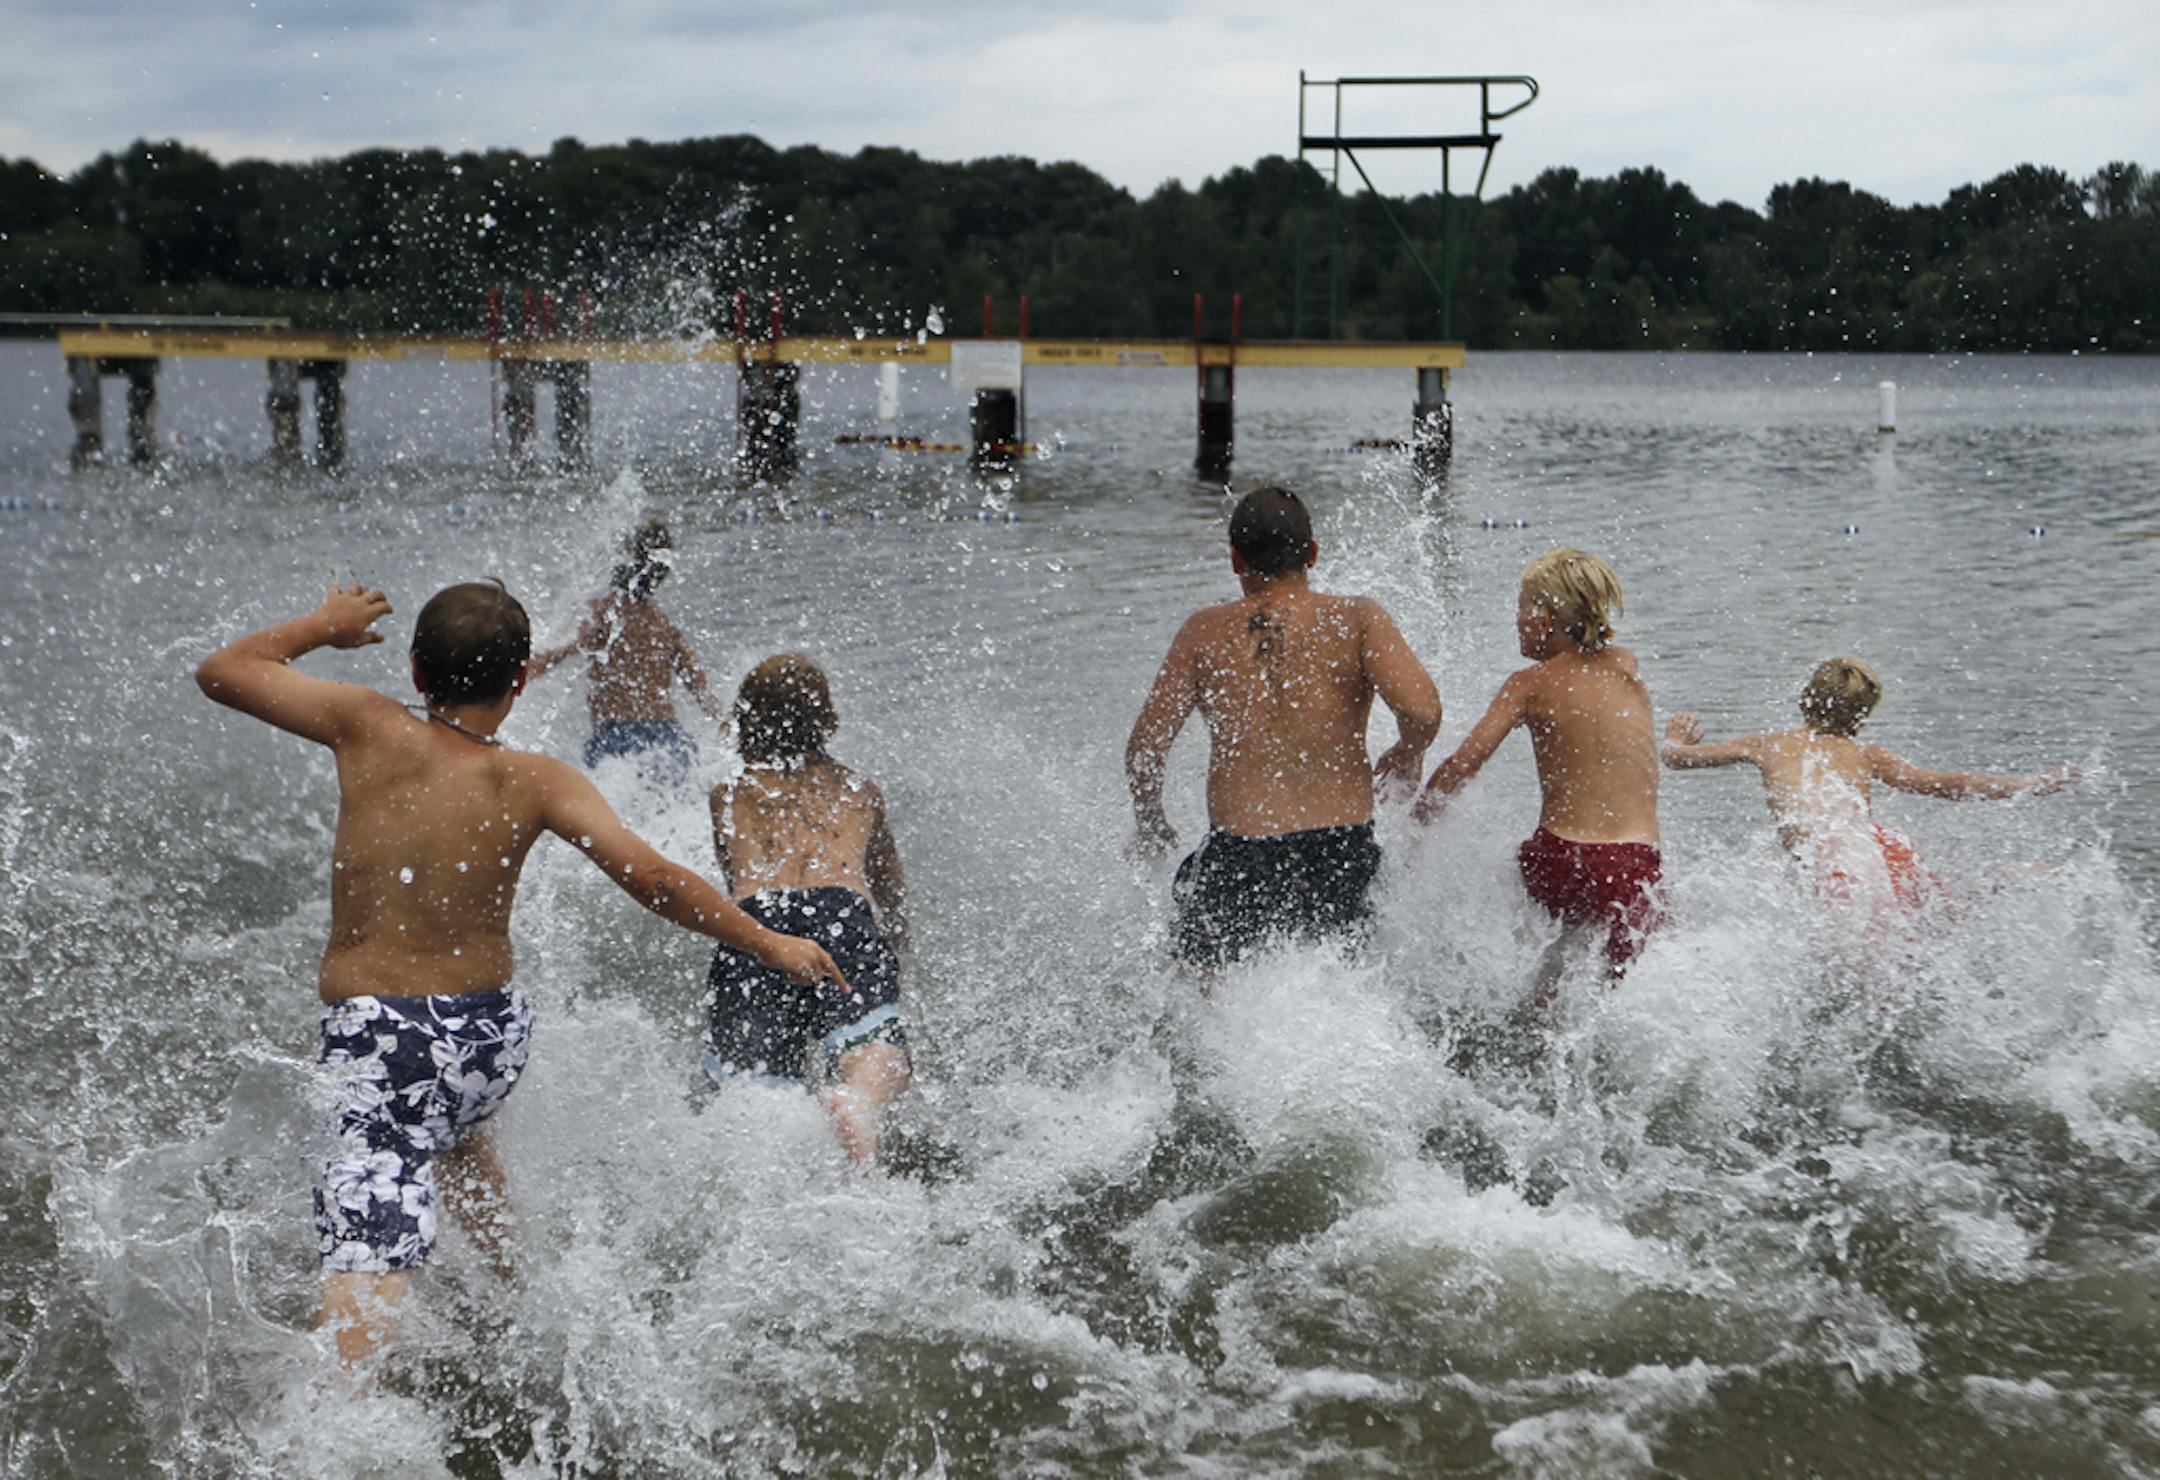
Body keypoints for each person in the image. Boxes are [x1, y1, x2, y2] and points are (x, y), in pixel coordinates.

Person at [195, 581, 845, 1369]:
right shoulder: (538, 780)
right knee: (459, 1142)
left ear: (415, 671)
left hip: (383, 1039)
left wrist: (325, 625)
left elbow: (225, 671)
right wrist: (766, 941)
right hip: (485, 1039)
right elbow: (651, 876)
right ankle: (527, 1321)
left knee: (368, 1251)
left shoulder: (366, 723)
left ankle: (345, 1406)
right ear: (519, 682)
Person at [1125, 486, 1442, 967]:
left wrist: (1150, 821)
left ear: (1236, 559)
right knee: (1346, 984)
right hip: (1341, 850)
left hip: (1240, 857)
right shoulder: (1357, 619)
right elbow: (1423, 712)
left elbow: (1145, 749)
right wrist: (1406, 752)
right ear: (1312, 553)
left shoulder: (1202, 631)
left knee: (1205, 988)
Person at [1413, 548, 1662, 985]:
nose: (1516, 620)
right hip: (1631, 865)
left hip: (1558, 859)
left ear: (1544, 619)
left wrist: (1415, 823)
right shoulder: (1626, 665)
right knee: (1629, 984)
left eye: (1520, 608)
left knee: (1549, 975)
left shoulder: (1528, 685)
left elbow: (1463, 764)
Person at [1661, 655, 2078, 911]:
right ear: (1861, 718)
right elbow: (1952, 783)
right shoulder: (1866, 755)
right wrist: (2031, 783)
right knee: (1935, 917)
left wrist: (1675, 738)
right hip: (1874, 849)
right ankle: (1996, 879)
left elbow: (1677, 760)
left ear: (1805, 701)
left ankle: (1995, 880)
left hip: (1838, 865)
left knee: (1864, 966)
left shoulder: (1767, 744)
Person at [706, 654, 911, 1164]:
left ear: (747, 719)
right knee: (875, 1048)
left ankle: (775, 1166)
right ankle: (858, 1102)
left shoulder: (728, 795)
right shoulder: (861, 790)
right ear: (827, 719)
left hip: (758, 923)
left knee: (755, 1079)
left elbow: (735, 879)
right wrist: (897, 938)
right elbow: (888, 885)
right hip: (841, 913)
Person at [529, 519, 724, 786]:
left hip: (618, 736)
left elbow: (556, 653)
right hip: (670, 737)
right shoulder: (663, 625)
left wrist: (509, 680)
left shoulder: (600, 612)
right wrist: (724, 723)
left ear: (620, 561)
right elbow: (701, 688)